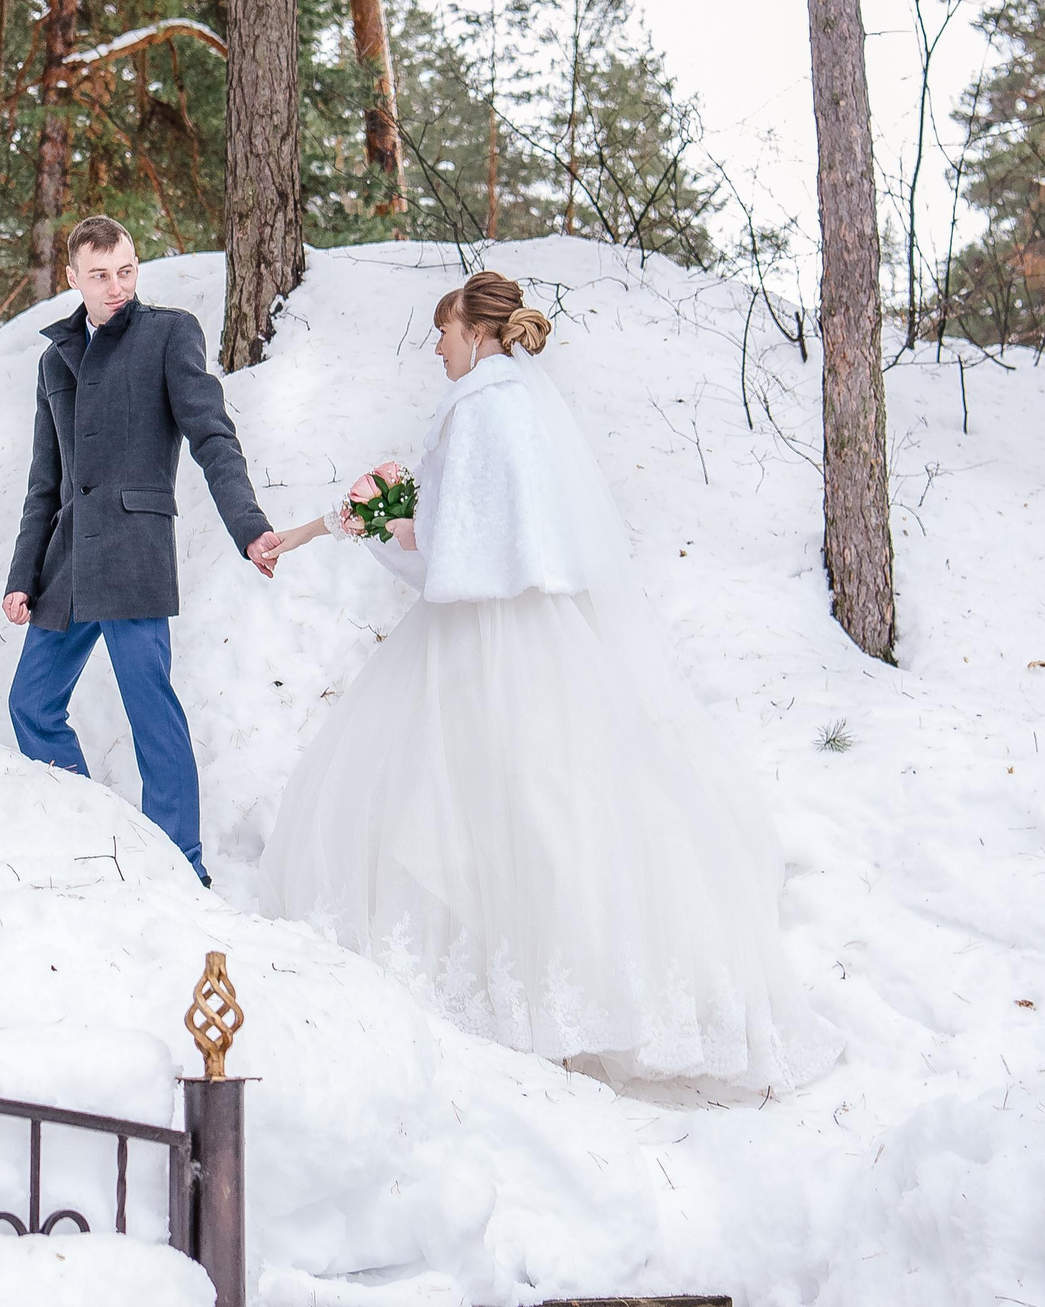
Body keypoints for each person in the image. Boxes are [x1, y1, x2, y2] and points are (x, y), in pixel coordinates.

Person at [260, 270, 834, 1088]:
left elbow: (449, 555)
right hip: (533, 624)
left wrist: (380, 530)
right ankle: (552, 995)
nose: (438, 345)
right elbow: (476, 530)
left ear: (479, 332)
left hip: (483, 634)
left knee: (481, 798)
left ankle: (524, 999)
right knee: (545, 803)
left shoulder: (480, 410)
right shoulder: (518, 404)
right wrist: (345, 523)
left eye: (446, 332)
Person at [2, 216, 284, 887]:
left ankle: (181, 865)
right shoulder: (54, 359)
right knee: (31, 705)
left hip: (133, 554)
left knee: (151, 710)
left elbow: (212, 436)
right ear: (73, 278)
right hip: (68, 566)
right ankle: (88, 831)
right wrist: (22, 574)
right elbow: (44, 482)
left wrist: (248, 525)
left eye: (126, 269)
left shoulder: (167, 333)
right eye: (99, 274)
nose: (116, 285)